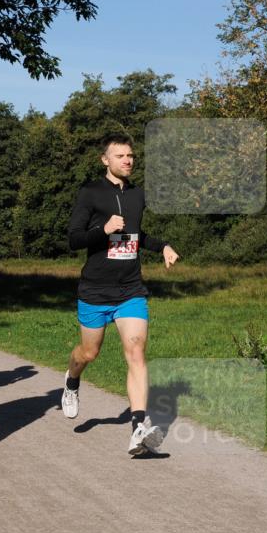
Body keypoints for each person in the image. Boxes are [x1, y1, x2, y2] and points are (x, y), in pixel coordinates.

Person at [61, 133, 180, 456]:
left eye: (130, 156)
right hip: (95, 290)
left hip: (130, 288)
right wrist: (103, 230)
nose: (127, 161)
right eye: (120, 156)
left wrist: (162, 246)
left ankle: (138, 429)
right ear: (105, 160)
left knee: (137, 352)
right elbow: (74, 239)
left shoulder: (137, 195)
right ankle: (72, 381)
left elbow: (136, 235)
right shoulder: (90, 193)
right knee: (88, 353)